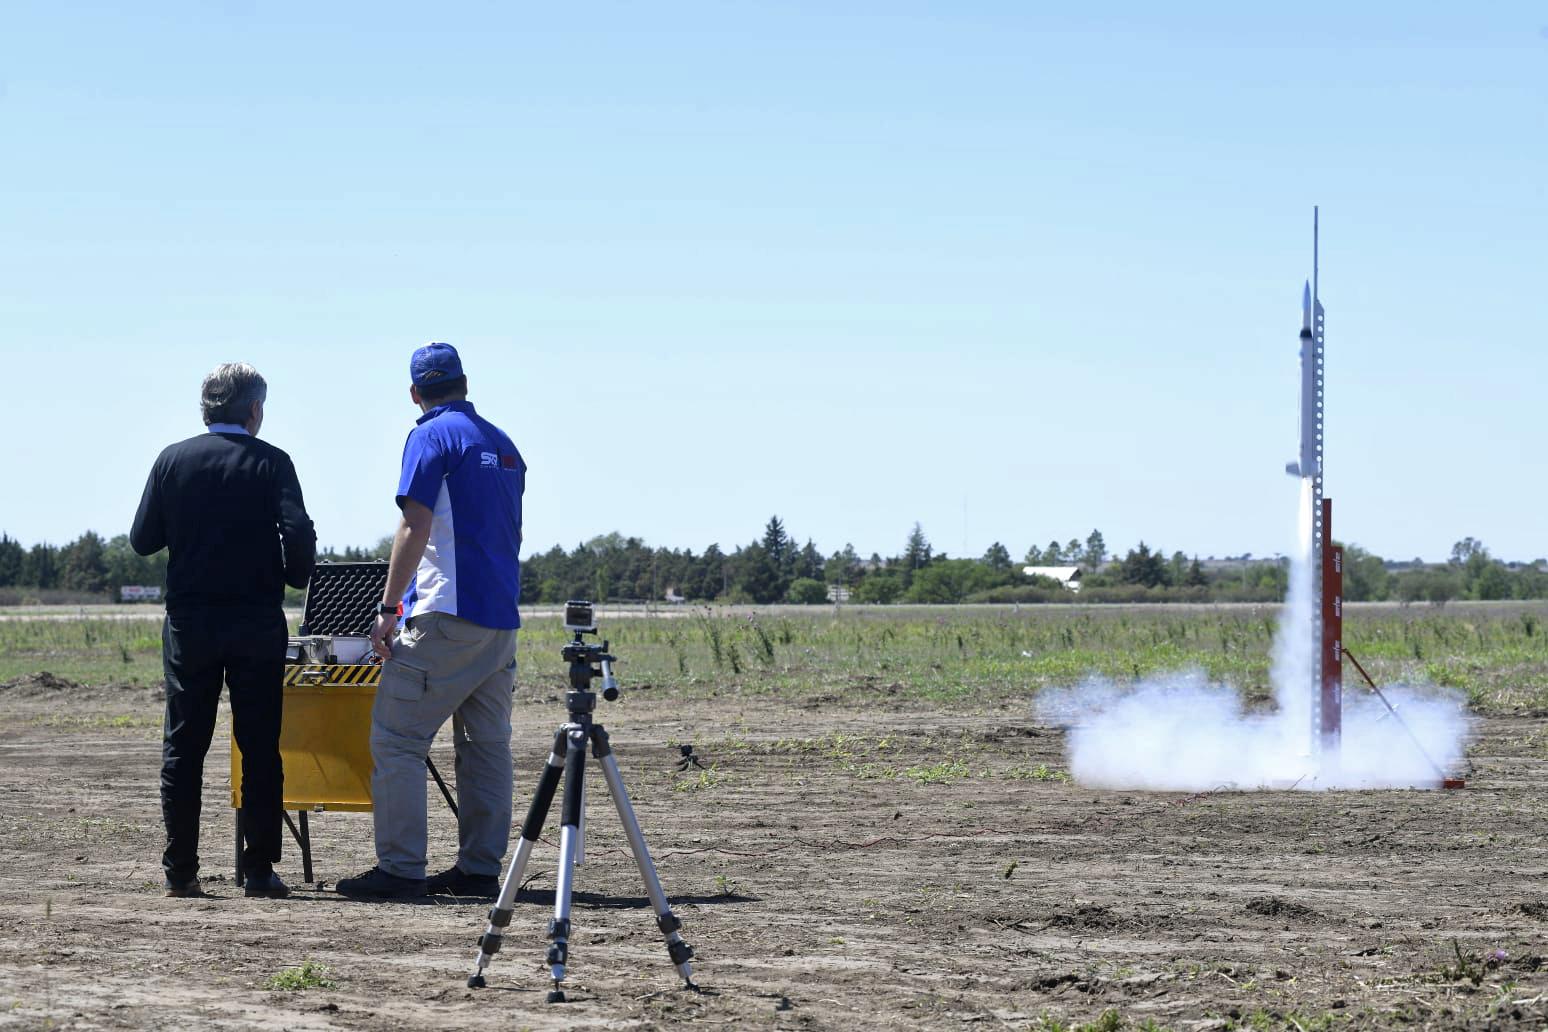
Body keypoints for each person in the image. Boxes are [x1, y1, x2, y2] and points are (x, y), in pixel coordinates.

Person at [336, 342, 525, 900]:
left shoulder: (429, 435)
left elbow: (413, 524)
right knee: (486, 746)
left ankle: (400, 869)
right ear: (465, 385)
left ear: (415, 394)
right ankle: (480, 869)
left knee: (397, 738)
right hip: (499, 618)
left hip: (444, 613)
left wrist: (389, 609)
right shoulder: (502, 442)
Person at [130, 362, 316, 899]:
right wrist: (293, 577)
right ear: (254, 410)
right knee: (260, 745)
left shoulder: (173, 460)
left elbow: (143, 540)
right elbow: (297, 530)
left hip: (191, 620)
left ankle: (180, 871)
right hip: (257, 619)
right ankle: (258, 869)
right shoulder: (273, 462)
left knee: (184, 745)